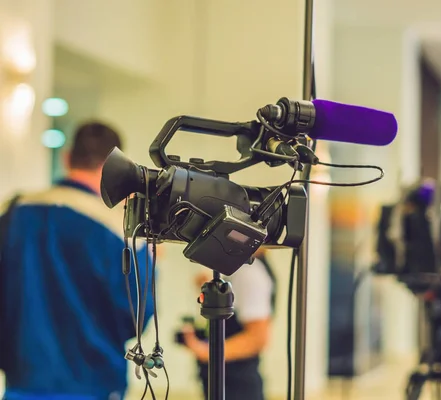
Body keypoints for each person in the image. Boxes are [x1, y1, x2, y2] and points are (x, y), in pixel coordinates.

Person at [0, 122, 154, 400]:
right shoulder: (120, 231)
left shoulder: (13, 212)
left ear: (67, 157)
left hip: (22, 380)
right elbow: (137, 317)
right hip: (93, 383)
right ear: (117, 169)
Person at [181, 247, 275, 400]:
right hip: (229, 380)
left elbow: (257, 338)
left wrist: (206, 352)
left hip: (237, 385)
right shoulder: (240, 270)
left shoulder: (250, 273)